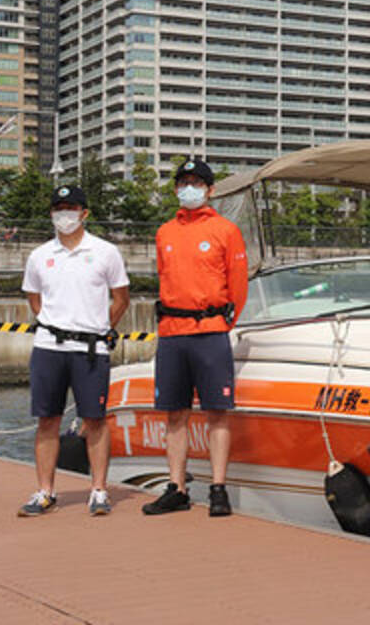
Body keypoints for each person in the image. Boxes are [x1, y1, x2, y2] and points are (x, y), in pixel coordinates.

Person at [143, 159, 247, 517]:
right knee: (174, 414)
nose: (190, 189)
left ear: (210, 190)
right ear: (175, 189)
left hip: (211, 331)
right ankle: (177, 488)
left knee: (217, 412)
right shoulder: (164, 232)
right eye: (184, 182)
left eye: (197, 183)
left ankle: (218, 488)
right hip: (172, 333)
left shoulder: (226, 230)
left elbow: (239, 287)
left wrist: (222, 324)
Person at [19, 185, 130, 516]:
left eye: (70, 208)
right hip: (49, 346)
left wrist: (98, 327)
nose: (63, 214)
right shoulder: (39, 255)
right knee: (47, 419)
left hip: (90, 349)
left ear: (85, 213)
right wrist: (55, 323)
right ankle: (44, 491)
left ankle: (98, 490)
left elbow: (121, 298)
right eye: (58, 208)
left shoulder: (106, 251)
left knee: (95, 420)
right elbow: (34, 298)